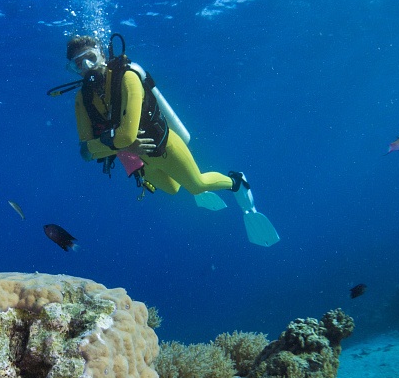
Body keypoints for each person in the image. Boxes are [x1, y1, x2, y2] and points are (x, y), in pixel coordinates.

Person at [58, 34, 280, 246]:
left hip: (164, 147)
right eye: (78, 63)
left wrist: (107, 145)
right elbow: (84, 153)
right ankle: (187, 178)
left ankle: (236, 182)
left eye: (90, 57)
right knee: (173, 190)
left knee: (196, 186)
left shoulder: (127, 77)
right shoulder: (82, 99)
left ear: (103, 55)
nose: (86, 66)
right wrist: (119, 145)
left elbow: (124, 136)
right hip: (142, 162)